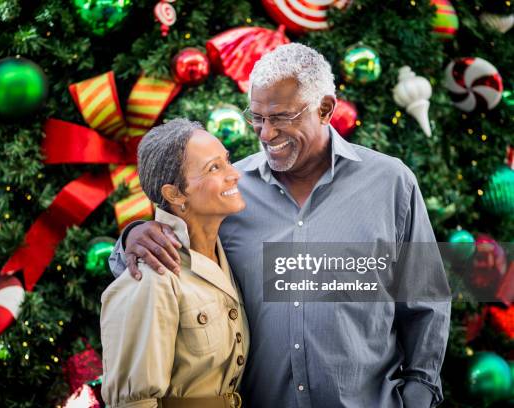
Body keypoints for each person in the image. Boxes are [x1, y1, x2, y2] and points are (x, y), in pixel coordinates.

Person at [110, 44, 451, 408]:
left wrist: (418, 395)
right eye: (256, 117)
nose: (266, 133)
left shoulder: (390, 182)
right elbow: (157, 278)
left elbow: (426, 299)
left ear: (325, 109)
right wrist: (132, 236)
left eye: (282, 117)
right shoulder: (227, 189)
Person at [100, 118, 249, 408]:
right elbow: (134, 403)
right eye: (214, 168)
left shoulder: (224, 253)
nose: (235, 174)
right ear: (175, 194)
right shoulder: (153, 276)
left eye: (227, 161)